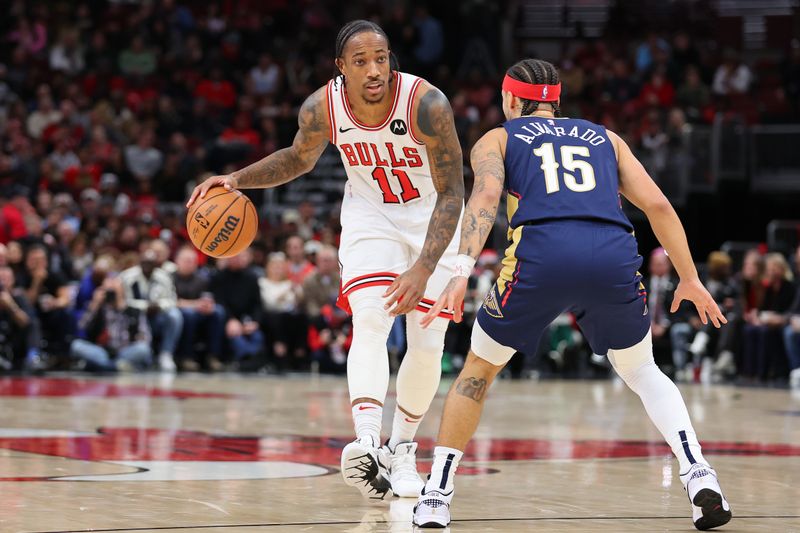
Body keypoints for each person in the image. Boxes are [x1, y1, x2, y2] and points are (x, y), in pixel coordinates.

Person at [413, 59, 731, 531]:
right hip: (612, 255)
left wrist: (460, 271)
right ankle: (699, 472)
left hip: (542, 256)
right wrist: (689, 277)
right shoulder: (606, 137)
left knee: (478, 369)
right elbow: (659, 205)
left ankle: (437, 496)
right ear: (556, 101)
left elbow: (483, 199)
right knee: (643, 369)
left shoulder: (499, 138)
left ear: (511, 99)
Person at [187, 19, 464, 499]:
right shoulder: (323, 107)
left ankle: (401, 450)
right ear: (342, 67)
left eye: (381, 58)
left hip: (431, 216)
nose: (375, 69)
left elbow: (453, 192)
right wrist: (235, 180)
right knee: (371, 317)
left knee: (426, 339)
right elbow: (298, 158)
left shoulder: (427, 104)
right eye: (361, 61)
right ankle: (365, 442)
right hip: (370, 213)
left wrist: (422, 266)